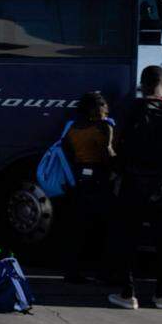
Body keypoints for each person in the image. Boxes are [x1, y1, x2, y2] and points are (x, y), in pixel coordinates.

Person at [107, 66, 162, 310]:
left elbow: (113, 144)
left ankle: (128, 294)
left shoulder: (128, 107)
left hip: (132, 183)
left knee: (129, 240)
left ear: (142, 83)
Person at [61, 91, 116, 284]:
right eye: (104, 105)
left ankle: (72, 272)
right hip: (99, 180)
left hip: (79, 180)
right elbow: (108, 154)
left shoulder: (73, 128)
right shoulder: (103, 127)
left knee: (78, 229)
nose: (107, 109)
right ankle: (104, 273)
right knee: (105, 228)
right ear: (96, 108)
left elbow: (67, 150)